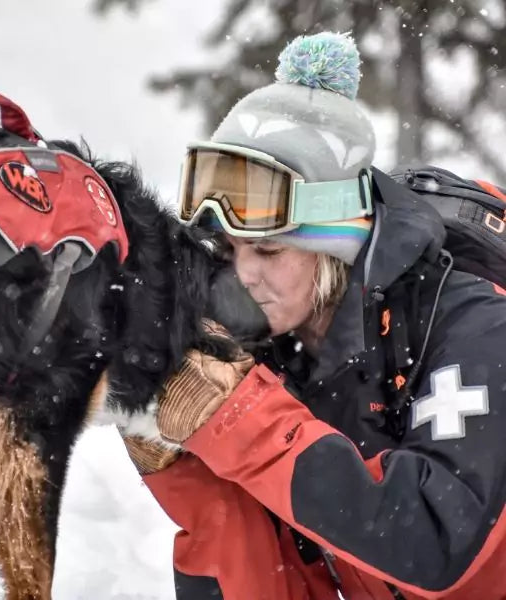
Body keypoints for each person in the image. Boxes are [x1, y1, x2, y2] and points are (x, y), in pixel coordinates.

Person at [121, 32, 506, 599]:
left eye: (270, 250)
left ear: (335, 250)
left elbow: (434, 542)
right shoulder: (269, 343)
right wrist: (183, 459)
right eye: (228, 249)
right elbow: (270, 581)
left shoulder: (474, 328)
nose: (243, 275)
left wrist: (238, 419)